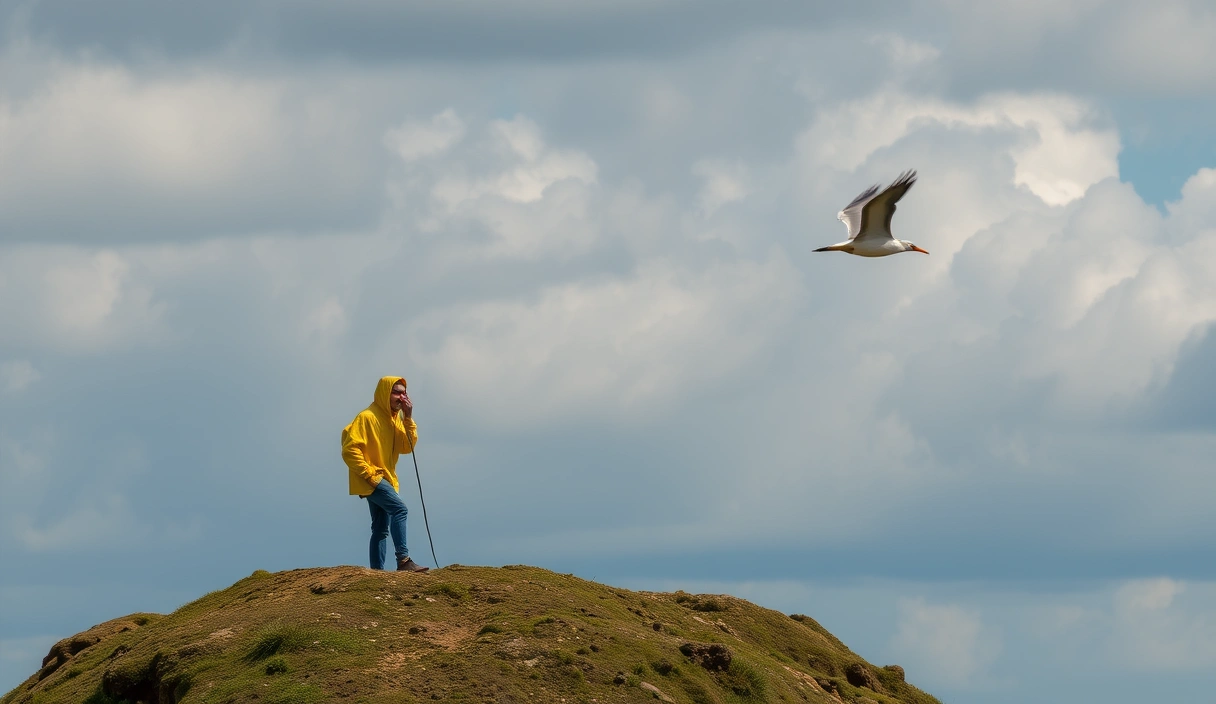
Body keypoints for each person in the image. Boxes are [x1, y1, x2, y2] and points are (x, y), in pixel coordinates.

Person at [341, 376, 429, 572]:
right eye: (397, 392)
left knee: (380, 528)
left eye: (404, 393)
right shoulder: (367, 417)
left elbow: (406, 447)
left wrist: (408, 417)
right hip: (372, 478)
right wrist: (369, 474)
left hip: (384, 478)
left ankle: (376, 573)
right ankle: (404, 561)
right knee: (400, 509)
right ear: (384, 393)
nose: (401, 397)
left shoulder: (394, 419)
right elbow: (349, 450)